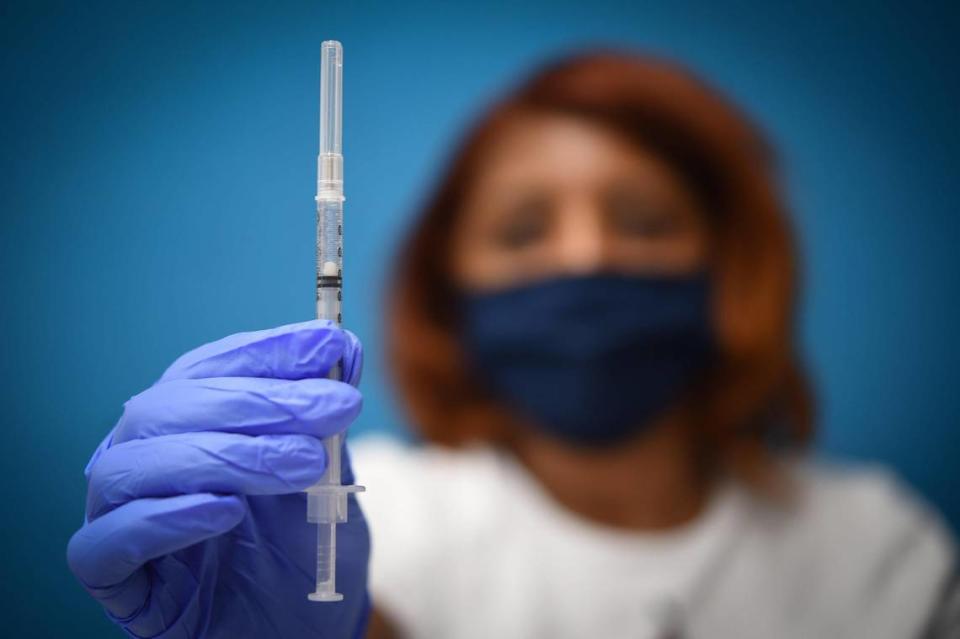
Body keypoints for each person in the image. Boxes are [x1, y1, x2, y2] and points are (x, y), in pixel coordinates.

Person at [67, 51, 957, 639]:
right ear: (450, 290)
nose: (586, 256)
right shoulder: (354, 522)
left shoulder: (876, 551)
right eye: (523, 230)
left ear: (729, 264)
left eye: (645, 221)